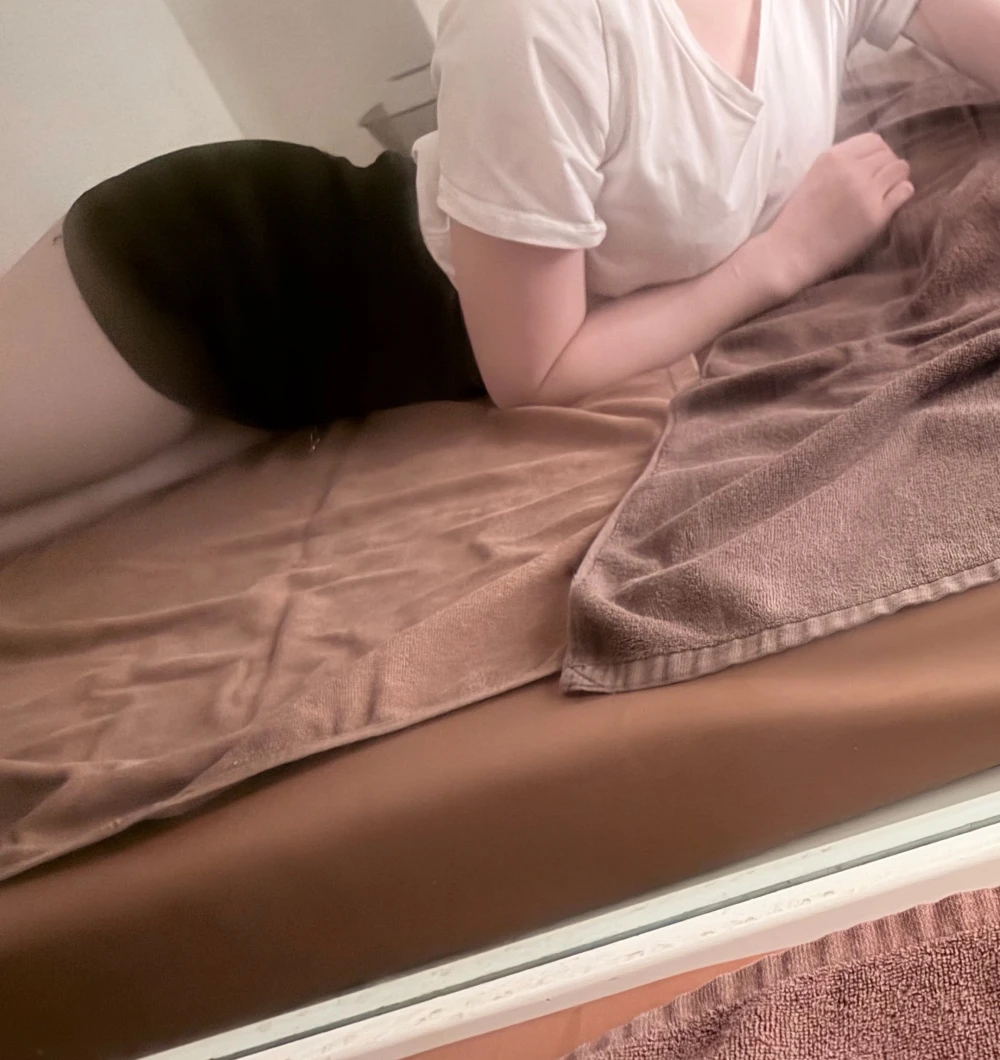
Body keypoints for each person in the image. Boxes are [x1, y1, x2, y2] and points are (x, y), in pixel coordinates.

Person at [2, 0, 997, 514]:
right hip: (214, 282)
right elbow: (535, 370)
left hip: (341, 381)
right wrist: (778, 260)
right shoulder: (539, 15)